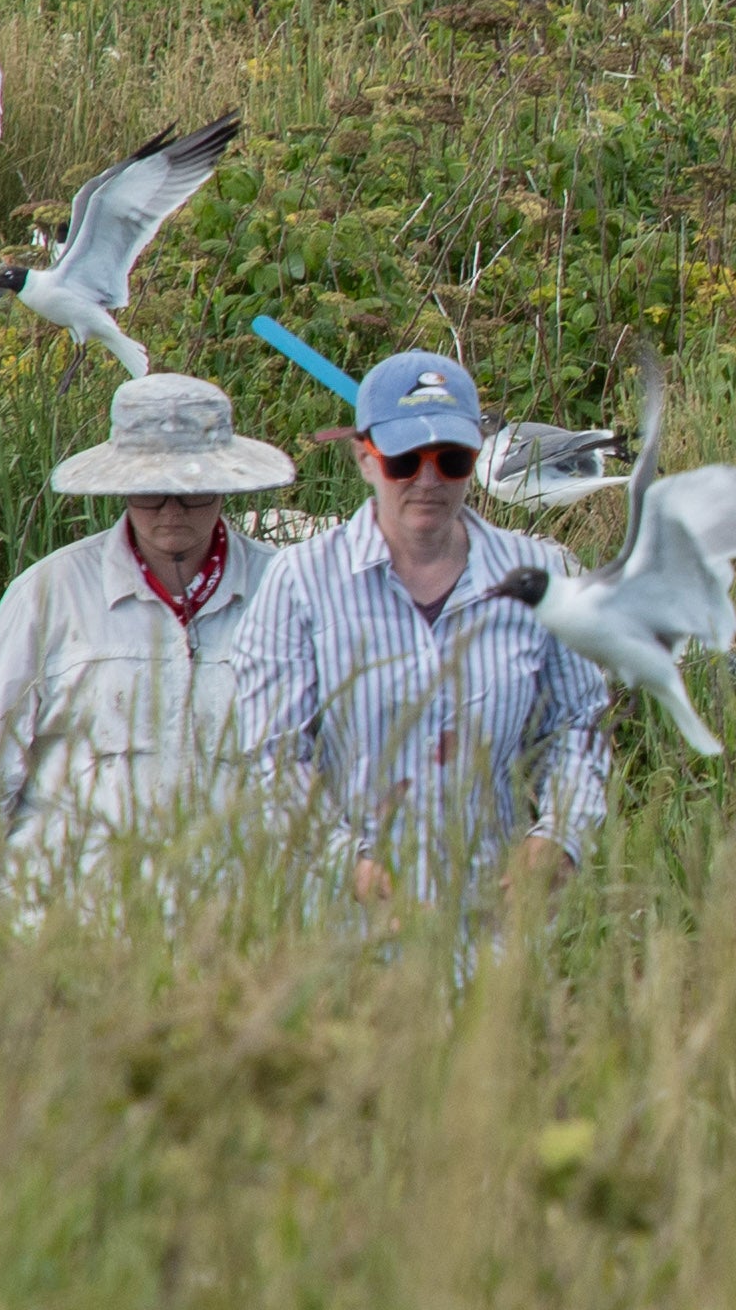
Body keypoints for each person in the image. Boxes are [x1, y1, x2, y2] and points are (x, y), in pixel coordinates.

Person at [207, 347, 611, 907]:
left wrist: (558, 837)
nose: (428, 480)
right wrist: (349, 864)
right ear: (365, 458)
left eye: (451, 459)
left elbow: (578, 727)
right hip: (342, 941)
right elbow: (271, 758)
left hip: (494, 932)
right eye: (403, 459)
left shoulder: (538, 578)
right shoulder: (300, 581)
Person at [0, 370, 295, 896]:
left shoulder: (288, 591)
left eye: (193, 492)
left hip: (241, 927)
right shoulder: (50, 595)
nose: (172, 509)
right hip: (73, 926)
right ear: (122, 487)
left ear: (225, 485)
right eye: (151, 493)